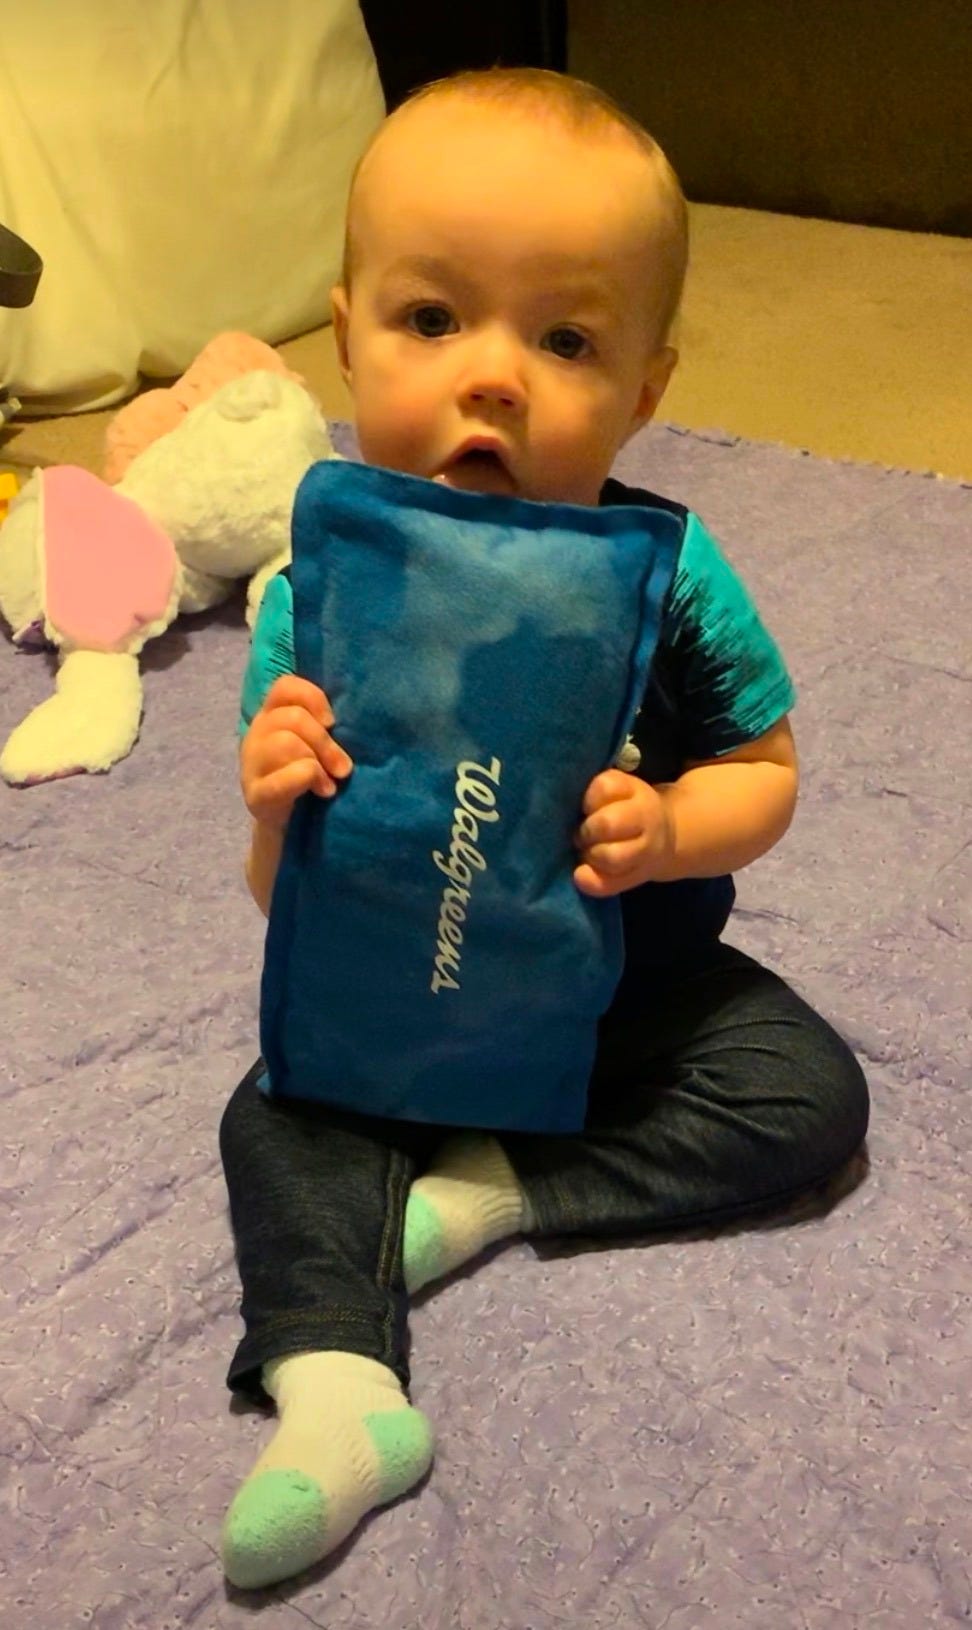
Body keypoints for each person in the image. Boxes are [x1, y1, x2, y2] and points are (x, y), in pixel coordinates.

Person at [219, 67, 869, 1590]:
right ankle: (335, 1389)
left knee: (807, 1093)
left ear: (643, 389)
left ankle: (486, 1196)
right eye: (433, 319)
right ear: (346, 330)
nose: (493, 376)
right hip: (394, 1002)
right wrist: (272, 796)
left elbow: (768, 774)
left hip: (619, 991)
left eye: (565, 338)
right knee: (270, 1115)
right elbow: (283, 894)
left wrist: (672, 825)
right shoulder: (319, 596)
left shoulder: (672, 572)